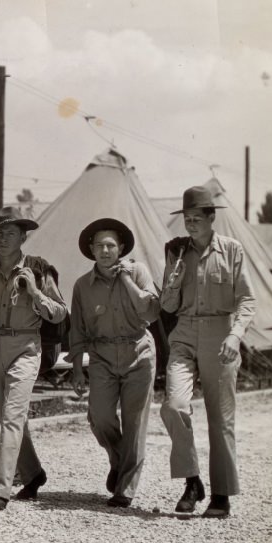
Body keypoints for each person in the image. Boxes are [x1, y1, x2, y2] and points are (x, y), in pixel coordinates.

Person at [0, 206, 67, 512]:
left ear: (23, 236)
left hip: (26, 346)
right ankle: (33, 474)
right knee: (6, 415)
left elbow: (59, 312)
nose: (3, 238)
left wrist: (35, 292)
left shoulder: (38, 269)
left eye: (10, 233)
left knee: (13, 414)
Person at [159, 186, 255, 518]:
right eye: (186, 218)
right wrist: (174, 278)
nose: (191, 224)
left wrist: (235, 334)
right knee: (173, 406)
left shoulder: (232, 250)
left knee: (220, 419)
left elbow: (247, 299)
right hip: (184, 332)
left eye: (197, 218)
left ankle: (222, 495)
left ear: (212, 218)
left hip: (221, 333)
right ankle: (192, 481)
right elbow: (167, 305)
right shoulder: (177, 252)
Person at [67, 218, 160, 508]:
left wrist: (127, 280)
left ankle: (126, 489)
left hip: (139, 352)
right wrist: (77, 370)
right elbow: (78, 330)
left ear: (120, 248)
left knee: (135, 422)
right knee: (100, 416)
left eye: (111, 245)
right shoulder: (82, 285)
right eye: (100, 246)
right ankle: (118, 459)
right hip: (102, 357)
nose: (105, 251)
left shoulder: (139, 271)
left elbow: (151, 311)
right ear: (91, 251)